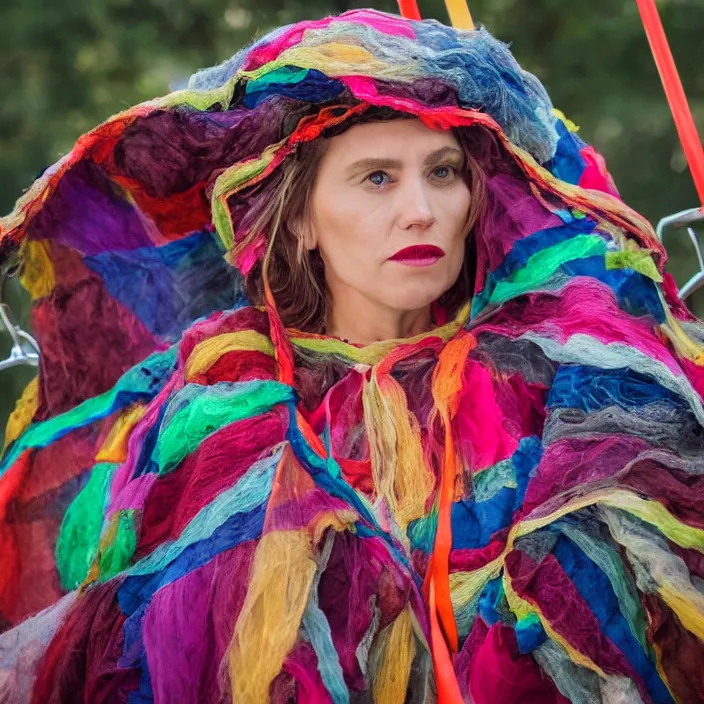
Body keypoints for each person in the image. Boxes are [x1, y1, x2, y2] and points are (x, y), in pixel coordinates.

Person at [0, 8, 703, 703]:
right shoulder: (218, 399)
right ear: (300, 216)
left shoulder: (554, 376)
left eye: (444, 172)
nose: (421, 210)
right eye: (377, 178)